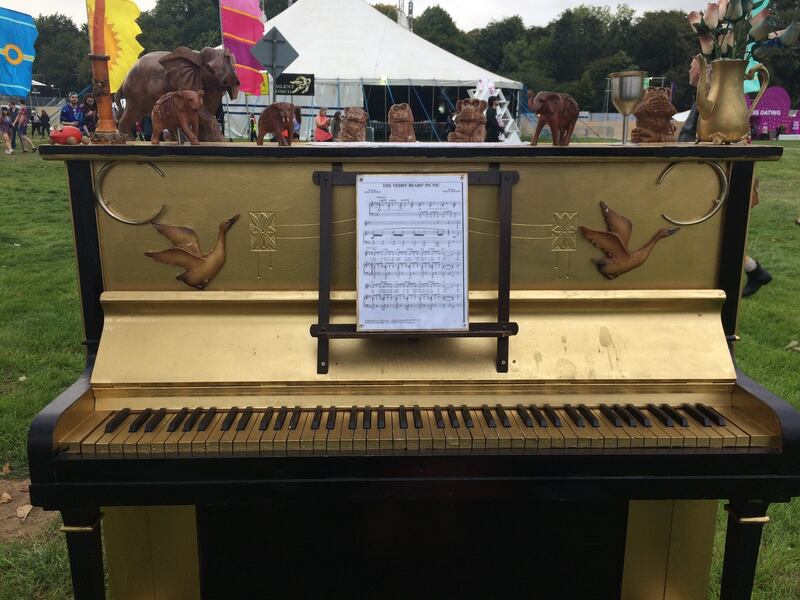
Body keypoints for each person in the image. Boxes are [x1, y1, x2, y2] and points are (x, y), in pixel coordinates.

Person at [679, 56, 772, 297]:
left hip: (709, 175)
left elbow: (692, 137)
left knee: (714, 232)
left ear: (701, 72)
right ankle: (753, 271)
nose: (688, 70)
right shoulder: (712, 98)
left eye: (692, 66)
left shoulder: (711, 100)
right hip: (708, 173)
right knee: (716, 233)